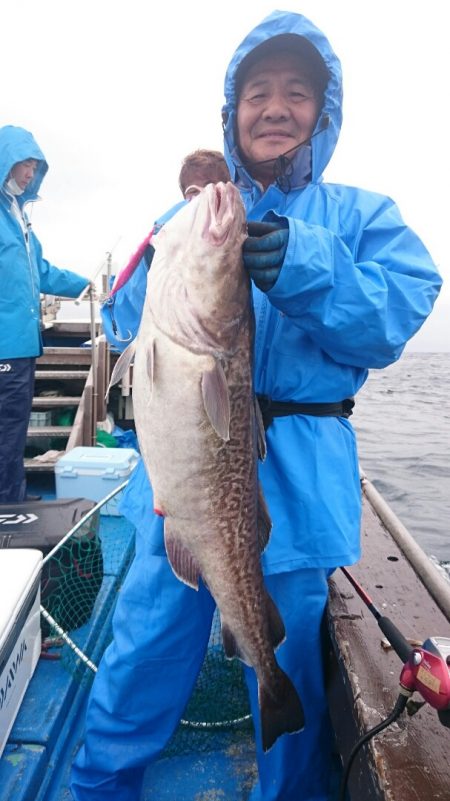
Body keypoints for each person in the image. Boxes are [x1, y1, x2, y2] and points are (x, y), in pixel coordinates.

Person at [71, 11, 442, 801]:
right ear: (231, 113)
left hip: (301, 488)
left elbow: (396, 312)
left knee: (290, 667)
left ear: (325, 112)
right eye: (257, 92)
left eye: (298, 92)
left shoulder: (361, 215)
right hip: (177, 483)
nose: (275, 107)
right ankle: (99, 787)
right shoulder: (197, 215)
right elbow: (121, 323)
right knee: (142, 651)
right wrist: (165, 252)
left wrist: (307, 263)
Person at [0, 125, 91, 505]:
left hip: (22, 345)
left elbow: (43, 271)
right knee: (6, 427)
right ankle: (8, 501)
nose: (30, 174)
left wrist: (88, 286)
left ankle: (13, 496)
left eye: (35, 167)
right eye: (25, 164)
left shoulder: (19, 219)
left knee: (14, 427)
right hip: (5, 346)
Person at [101, 148, 231, 346]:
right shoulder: (161, 239)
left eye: (211, 188)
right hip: (156, 348)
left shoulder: (238, 234)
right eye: (193, 191)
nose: (203, 198)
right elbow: (126, 325)